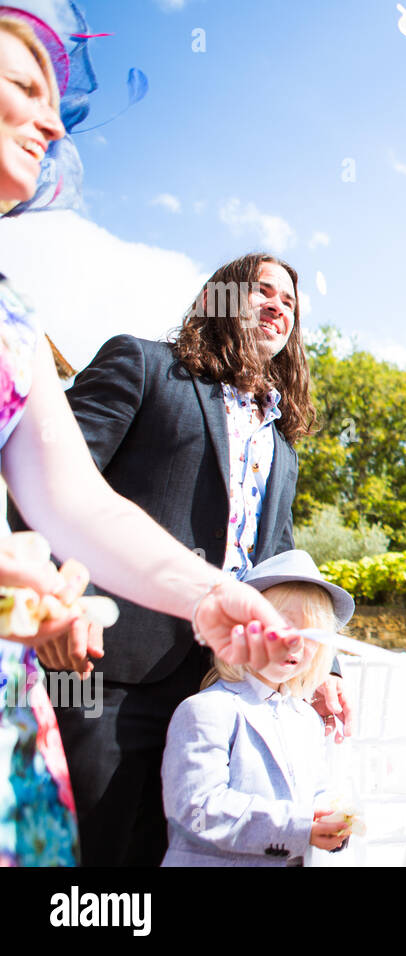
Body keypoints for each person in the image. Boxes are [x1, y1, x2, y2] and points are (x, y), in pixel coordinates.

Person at [0, 5, 297, 867]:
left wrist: (212, 599)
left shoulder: (13, 317)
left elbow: (70, 499)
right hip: (96, 669)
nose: (55, 123)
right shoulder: (141, 364)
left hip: (195, 681)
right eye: (25, 88)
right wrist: (43, 588)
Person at [10, 250, 342, 867]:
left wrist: (326, 669)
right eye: (262, 291)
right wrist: (55, 601)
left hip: (217, 683)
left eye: (291, 302)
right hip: (101, 668)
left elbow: (277, 563)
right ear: (218, 298)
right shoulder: (141, 366)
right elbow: (44, 488)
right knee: (88, 856)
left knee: (179, 851)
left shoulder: (282, 444)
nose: (279, 307)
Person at [162, 550, 356, 866]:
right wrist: (300, 826)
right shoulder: (207, 710)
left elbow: (317, 791)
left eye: (310, 634)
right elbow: (195, 809)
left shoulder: (307, 719)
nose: (295, 643)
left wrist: (331, 820)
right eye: (281, 625)